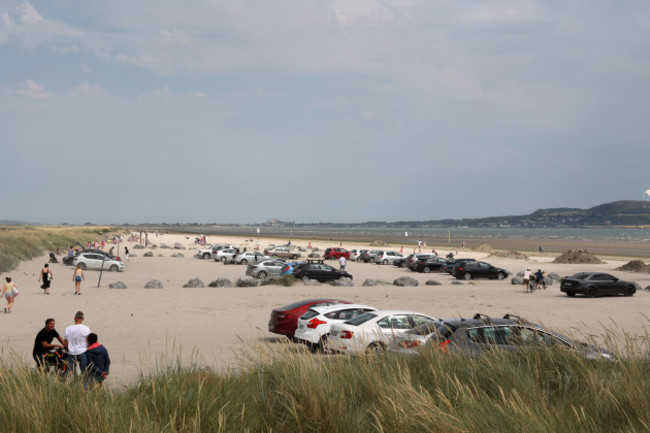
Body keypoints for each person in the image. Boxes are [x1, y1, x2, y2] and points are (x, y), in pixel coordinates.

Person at [64, 311, 90, 375]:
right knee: (84, 372)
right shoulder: (86, 328)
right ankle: (85, 384)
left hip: (71, 353)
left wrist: (67, 349)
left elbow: (65, 342)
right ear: (83, 319)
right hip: (83, 352)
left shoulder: (68, 329)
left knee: (69, 373)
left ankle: (70, 384)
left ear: (74, 318)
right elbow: (89, 341)